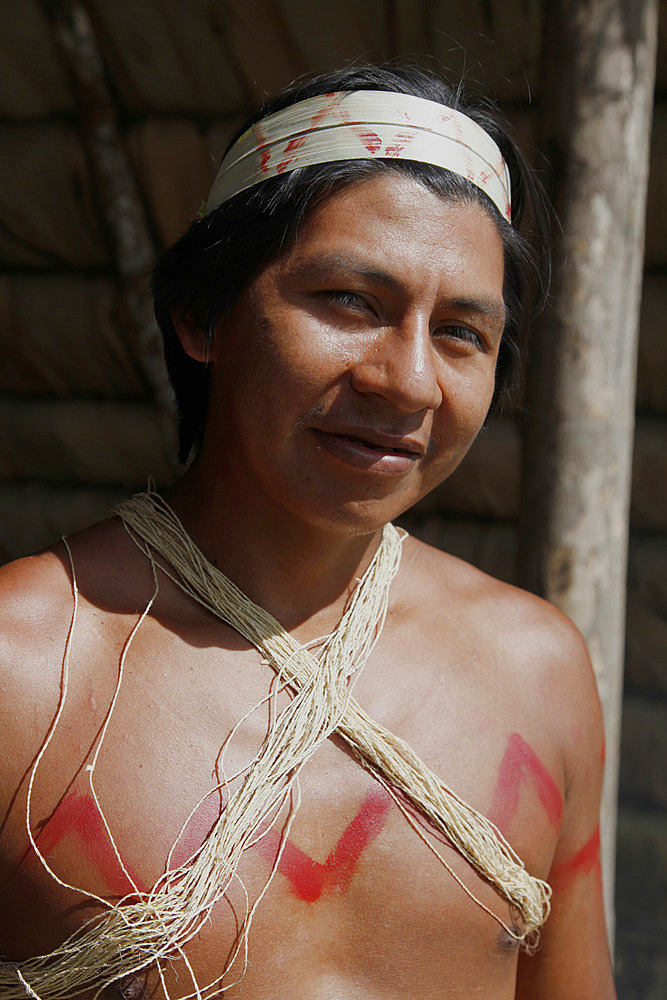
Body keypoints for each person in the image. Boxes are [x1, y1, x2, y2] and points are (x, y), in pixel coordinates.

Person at [0, 64, 616, 999]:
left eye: (460, 333)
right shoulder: (24, 669)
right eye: (349, 302)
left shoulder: (536, 672)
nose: (406, 381)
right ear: (203, 313)